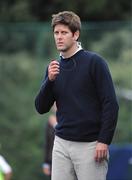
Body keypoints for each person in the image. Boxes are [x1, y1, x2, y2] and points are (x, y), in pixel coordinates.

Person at [35, 11, 119, 180]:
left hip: (90, 145)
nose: (59, 37)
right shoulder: (53, 68)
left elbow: (110, 104)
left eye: (64, 32)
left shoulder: (95, 62)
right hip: (61, 144)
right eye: (56, 33)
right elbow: (41, 108)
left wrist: (104, 140)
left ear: (75, 34)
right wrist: (49, 81)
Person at [42, 114, 57, 178]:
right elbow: (47, 143)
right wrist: (45, 163)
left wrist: (55, 125)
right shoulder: (50, 121)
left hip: (67, 158)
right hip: (52, 160)